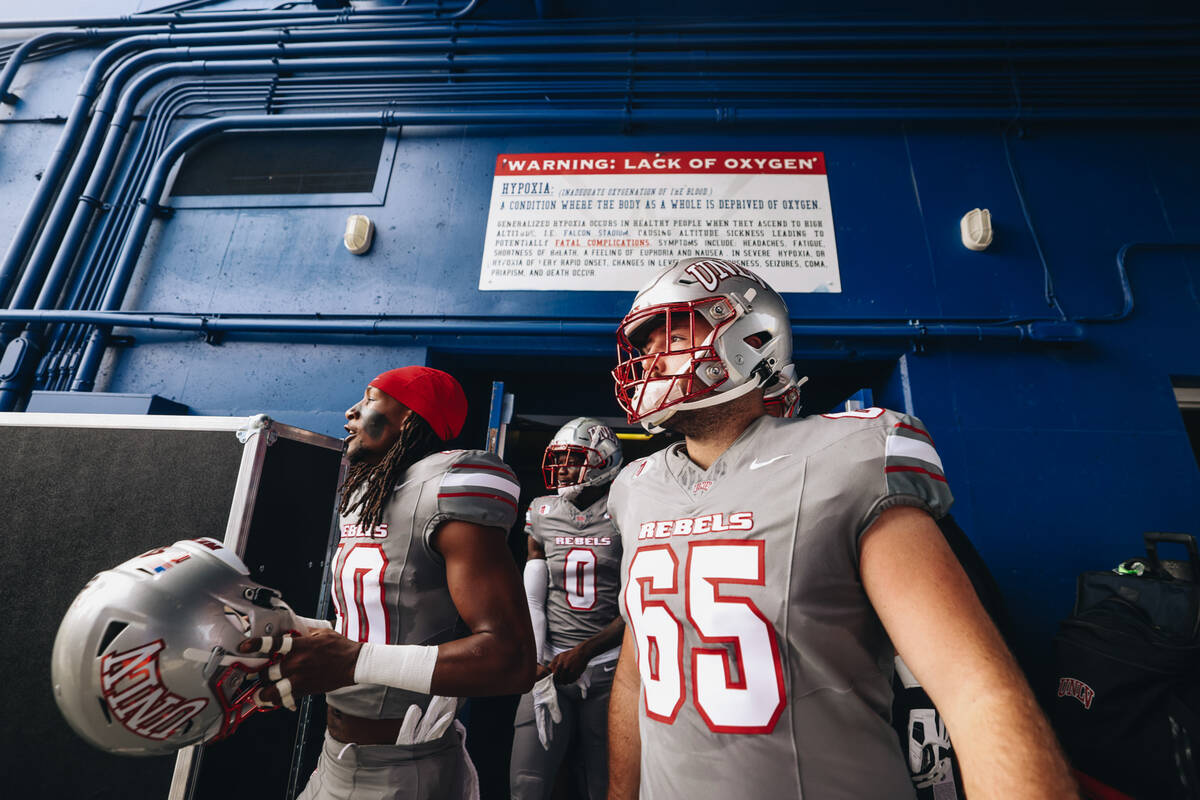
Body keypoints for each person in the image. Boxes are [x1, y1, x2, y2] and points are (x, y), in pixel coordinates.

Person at [604, 258, 1078, 799]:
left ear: (748, 336)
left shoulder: (846, 454)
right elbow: (636, 673)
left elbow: (974, 687)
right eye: (641, 345)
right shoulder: (635, 487)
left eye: (669, 332)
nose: (647, 358)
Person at [239, 366, 536, 800]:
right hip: (335, 755)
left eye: (371, 398)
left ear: (412, 418)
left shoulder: (449, 483)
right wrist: (288, 633)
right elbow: (375, 630)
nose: (350, 412)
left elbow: (512, 660)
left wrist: (355, 662)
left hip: (404, 768)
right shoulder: (366, 493)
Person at [510, 418, 626, 800]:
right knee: (528, 783)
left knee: (605, 783)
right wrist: (537, 656)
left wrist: (586, 651)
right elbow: (533, 597)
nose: (560, 467)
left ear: (603, 460)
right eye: (557, 459)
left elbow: (637, 602)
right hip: (550, 662)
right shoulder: (543, 511)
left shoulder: (628, 508)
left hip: (609, 664)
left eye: (572, 458)